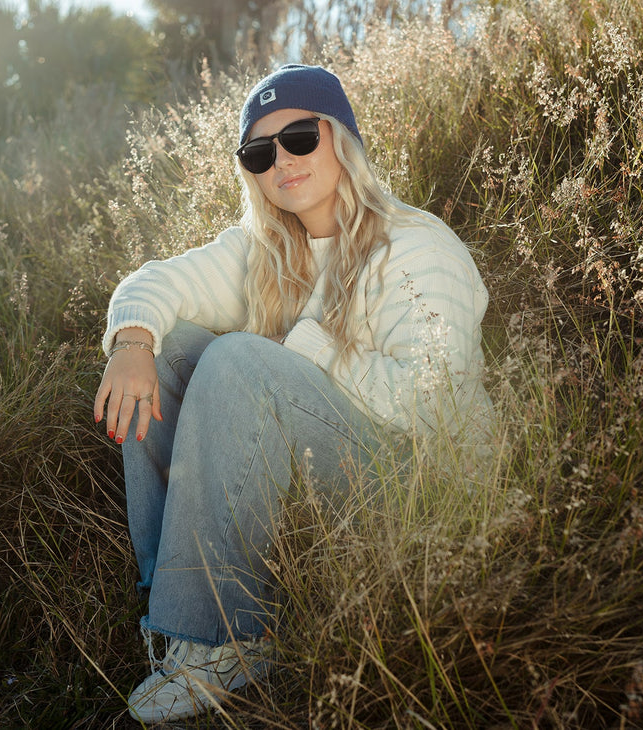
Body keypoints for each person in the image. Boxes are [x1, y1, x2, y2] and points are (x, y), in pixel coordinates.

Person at [93, 64, 492, 723]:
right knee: (166, 350)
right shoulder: (268, 248)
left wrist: (297, 350)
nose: (280, 159)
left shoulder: (416, 246)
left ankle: (225, 636)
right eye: (259, 151)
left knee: (239, 359)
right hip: (322, 468)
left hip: (422, 484)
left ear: (341, 139)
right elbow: (156, 282)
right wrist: (132, 342)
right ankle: (175, 606)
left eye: (299, 137)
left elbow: (434, 401)